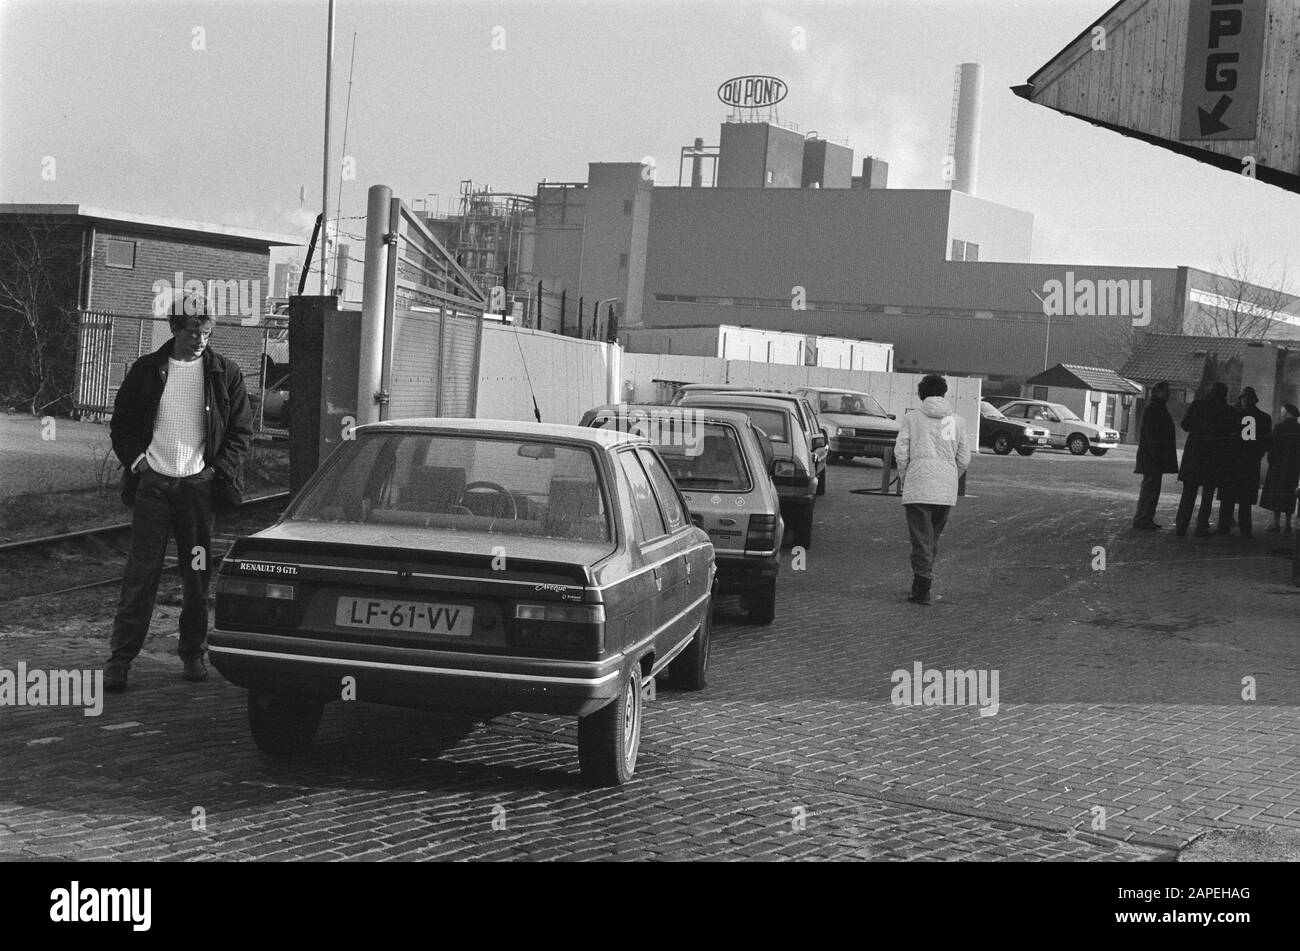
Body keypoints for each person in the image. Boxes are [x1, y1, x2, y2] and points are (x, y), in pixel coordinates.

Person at [105, 290, 252, 692]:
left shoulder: (226, 373)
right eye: (192, 331)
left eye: (206, 332)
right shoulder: (147, 370)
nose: (200, 339)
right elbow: (123, 425)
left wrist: (213, 472)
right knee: (141, 575)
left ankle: (192, 654)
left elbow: (241, 433)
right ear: (174, 328)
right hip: (153, 486)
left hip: (198, 491)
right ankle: (120, 660)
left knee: (196, 577)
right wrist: (139, 464)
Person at [894, 373, 971, 605]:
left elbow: (901, 453)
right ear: (944, 393)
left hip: (919, 487)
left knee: (920, 539)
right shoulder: (955, 421)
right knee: (932, 538)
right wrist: (950, 475)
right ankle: (923, 580)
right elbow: (964, 458)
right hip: (945, 490)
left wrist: (907, 477)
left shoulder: (912, 419)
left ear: (921, 393)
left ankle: (922, 586)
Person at [1175, 382, 1236, 537]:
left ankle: (1181, 527)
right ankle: (1201, 527)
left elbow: (1185, 425)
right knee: (1207, 496)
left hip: (1194, 458)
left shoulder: (1197, 405)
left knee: (1188, 494)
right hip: (1213, 460)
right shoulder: (1227, 411)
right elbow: (1231, 434)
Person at [1215, 386, 1271, 537]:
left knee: (1235, 498)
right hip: (1244, 463)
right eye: (1244, 398)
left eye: (1248, 398)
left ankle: (1229, 527)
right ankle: (1240, 529)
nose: (1245, 401)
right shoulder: (1261, 418)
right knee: (1237, 499)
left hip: (1237, 463)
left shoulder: (1233, 414)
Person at [1131, 381, 1178, 530]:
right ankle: (1143, 518)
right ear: (1158, 391)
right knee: (1150, 490)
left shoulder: (1155, 407)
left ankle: (1146, 518)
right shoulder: (1155, 409)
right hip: (1153, 459)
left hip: (1153, 458)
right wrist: (1157, 455)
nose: (1169, 394)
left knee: (1151, 490)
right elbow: (1152, 435)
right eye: (1166, 391)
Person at [1260, 403, 1300, 534]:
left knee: (1277, 494)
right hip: (1293, 468)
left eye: (1283, 411)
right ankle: (1288, 524)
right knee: (1290, 495)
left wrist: (1271, 460)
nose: (1281, 413)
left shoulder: (1280, 427)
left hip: (1278, 467)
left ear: (1287, 413)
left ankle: (1275, 523)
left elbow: (1274, 448)